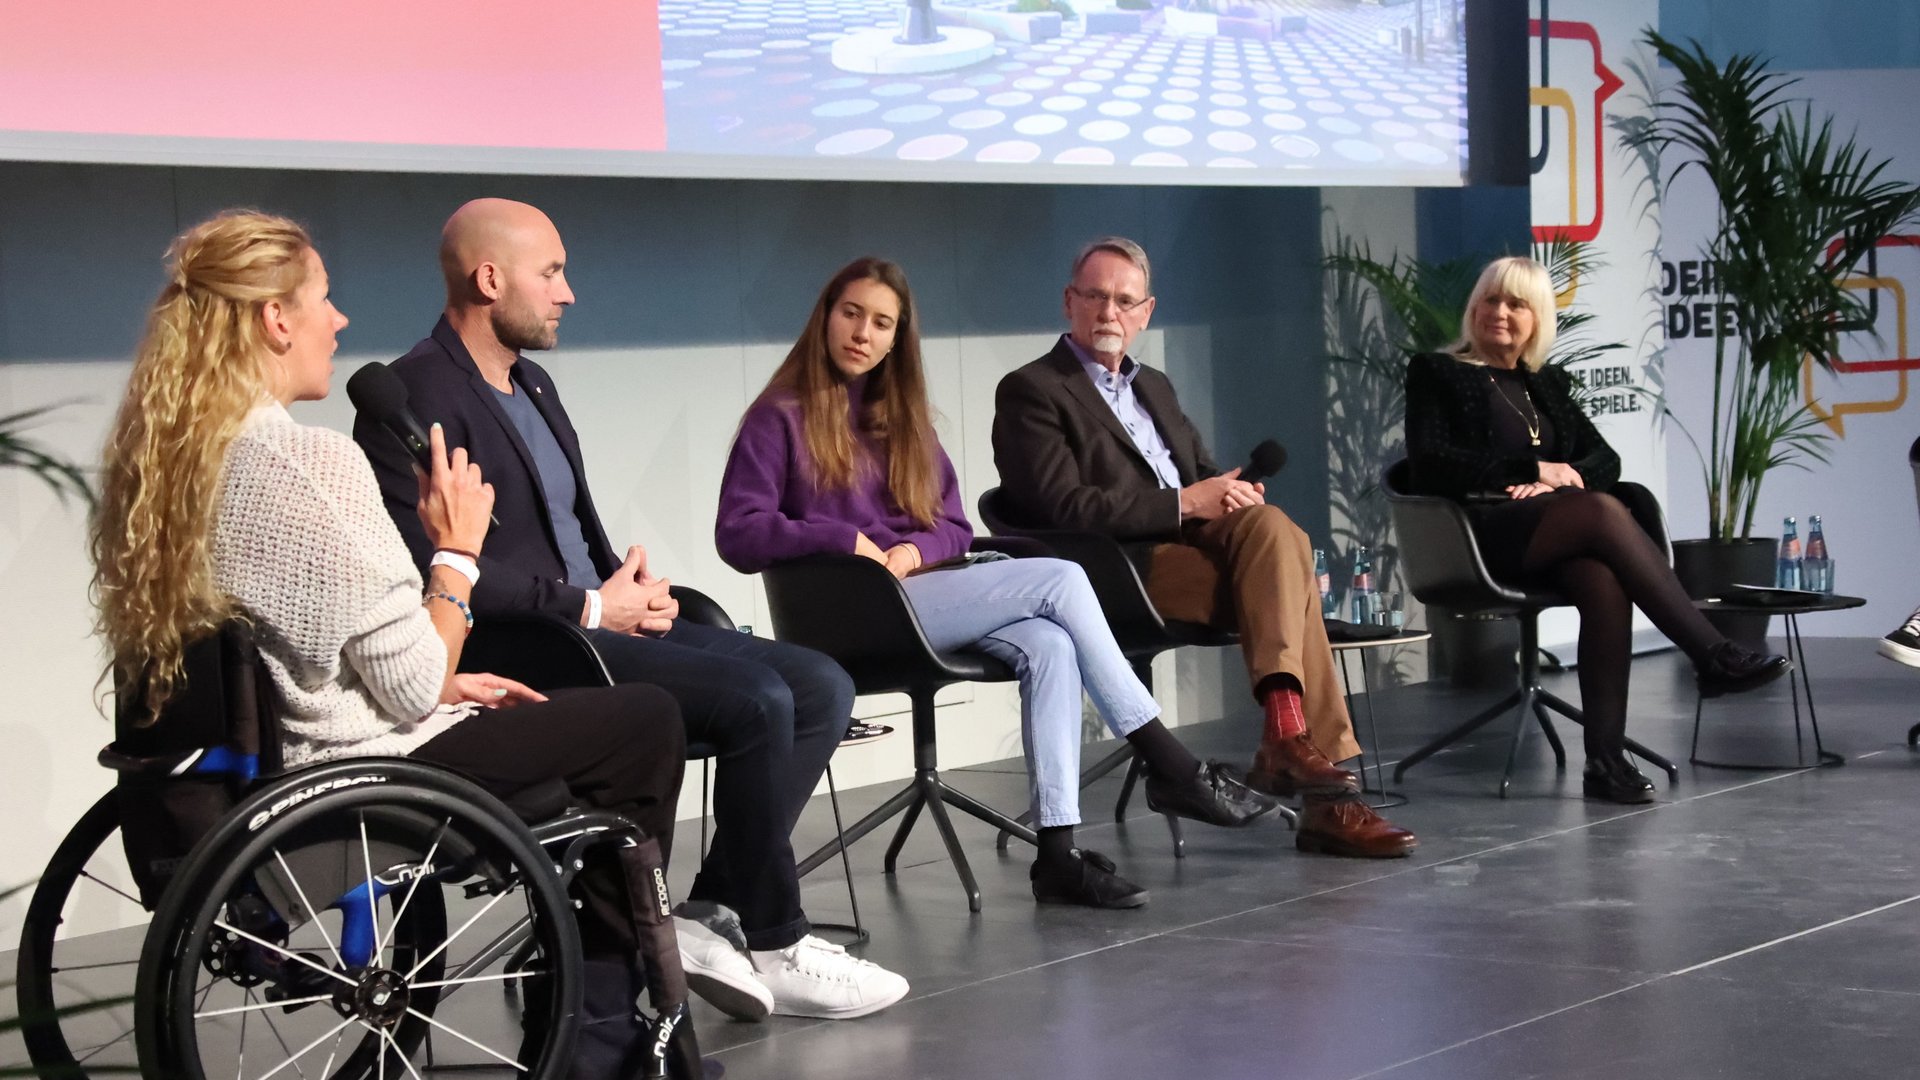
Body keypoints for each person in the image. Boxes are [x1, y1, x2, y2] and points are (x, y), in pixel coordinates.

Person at [89, 210, 702, 1077]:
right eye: (326, 300)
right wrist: (455, 549)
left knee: (531, 700)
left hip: (265, 767)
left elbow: (300, 657)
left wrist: (450, 683)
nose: (338, 322)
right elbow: (413, 681)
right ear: (275, 319)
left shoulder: (174, 462)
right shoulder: (306, 464)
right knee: (642, 720)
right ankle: (600, 1038)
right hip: (361, 777)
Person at [352, 198, 905, 1022]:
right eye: (551, 273)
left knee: (822, 684)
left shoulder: (532, 381)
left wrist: (626, 585)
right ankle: (776, 936)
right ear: (490, 277)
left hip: (599, 617)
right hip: (535, 641)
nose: (567, 292)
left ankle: (713, 909)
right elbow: (434, 560)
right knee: (760, 700)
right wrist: (587, 604)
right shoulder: (411, 395)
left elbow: (567, 527)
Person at [715, 256, 1278, 910]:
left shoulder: (902, 420)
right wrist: (845, 540)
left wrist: (909, 550)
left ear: (898, 338)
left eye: (881, 322)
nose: (862, 333)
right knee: (1061, 581)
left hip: (917, 591)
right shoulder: (780, 415)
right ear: (825, 317)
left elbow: (952, 526)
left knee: (1050, 644)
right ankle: (1170, 763)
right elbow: (740, 532)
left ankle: (1058, 856)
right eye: (851, 314)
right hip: (846, 609)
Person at [992, 236, 1417, 857]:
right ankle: (1317, 782)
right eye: (1095, 296)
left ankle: (1290, 738)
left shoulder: (1154, 387)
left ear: (1146, 312)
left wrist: (1232, 495)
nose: (1109, 311)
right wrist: (1186, 504)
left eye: (1124, 300)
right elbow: (1060, 508)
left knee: (1273, 530)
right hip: (1113, 572)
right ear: (1069, 302)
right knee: (1289, 574)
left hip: (1193, 553)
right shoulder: (1034, 389)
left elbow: (1204, 476)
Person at [1403, 255, 1791, 802]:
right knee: (1602, 511)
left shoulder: (1546, 384)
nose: (1500, 312)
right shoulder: (1438, 372)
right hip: (1480, 534)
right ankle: (1711, 652)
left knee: (1601, 579)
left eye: (1516, 303)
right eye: (1491, 299)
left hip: (1548, 529)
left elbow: (1603, 459)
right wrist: (1533, 470)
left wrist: (1566, 479)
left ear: (1537, 317)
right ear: (1474, 307)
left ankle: (1606, 761)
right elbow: (1430, 462)